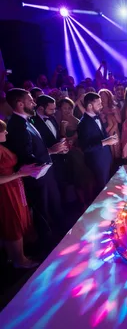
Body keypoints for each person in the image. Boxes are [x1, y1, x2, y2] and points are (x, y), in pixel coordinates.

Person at [5, 88, 65, 240]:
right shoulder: (17, 125)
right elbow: (25, 155)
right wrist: (48, 154)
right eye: (30, 100)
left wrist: (50, 151)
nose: (33, 103)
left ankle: (57, 236)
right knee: (42, 211)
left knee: (52, 206)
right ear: (20, 104)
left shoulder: (25, 120)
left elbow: (34, 147)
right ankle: (47, 245)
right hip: (36, 177)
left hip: (44, 173)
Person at [0, 120, 42, 268]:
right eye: (3, 130)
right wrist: (19, 174)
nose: (6, 132)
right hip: (5, 191)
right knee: (12, 222)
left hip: (13, 187)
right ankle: (20, 261)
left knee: (16, 220)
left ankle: (14, 256)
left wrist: (22, 171)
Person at [77, 92, 118, 196]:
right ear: (90, 106)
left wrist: (110, 139)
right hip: (96, 161)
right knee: (100, 190)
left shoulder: (97, 117)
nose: (102, 106)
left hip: (105, 157)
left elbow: (102, 135)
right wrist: (105, 142)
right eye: (99, 104)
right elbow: (85, 147)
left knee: (107, 186)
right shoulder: (83, 123)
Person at [99, 89, 121, 160]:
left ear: (109, 97)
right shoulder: (98, 109)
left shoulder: (114, 107)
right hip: (104, 131)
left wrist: (115, 113)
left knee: (116, 152)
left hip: (114, 131)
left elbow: (119, 121)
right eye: (101, 96)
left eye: (105, 96)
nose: (103, 98)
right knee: (108, 153)